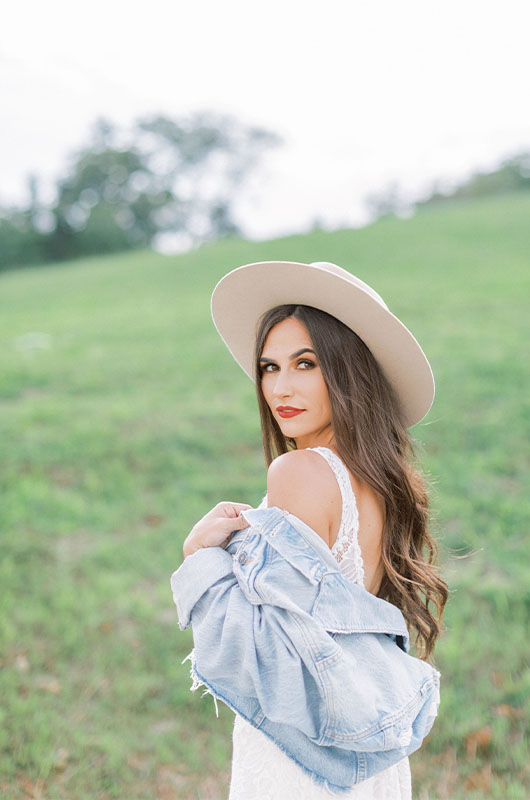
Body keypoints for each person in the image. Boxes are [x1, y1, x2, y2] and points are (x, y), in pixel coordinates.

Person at [172, 261, 449, 799]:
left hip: (303, 750)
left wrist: (197, 558)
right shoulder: (382, 477)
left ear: (350, 372)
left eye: (306, 363)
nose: (281, 387)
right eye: (270, 367)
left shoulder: (299, 471)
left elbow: (273, 653)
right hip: (364, 749)